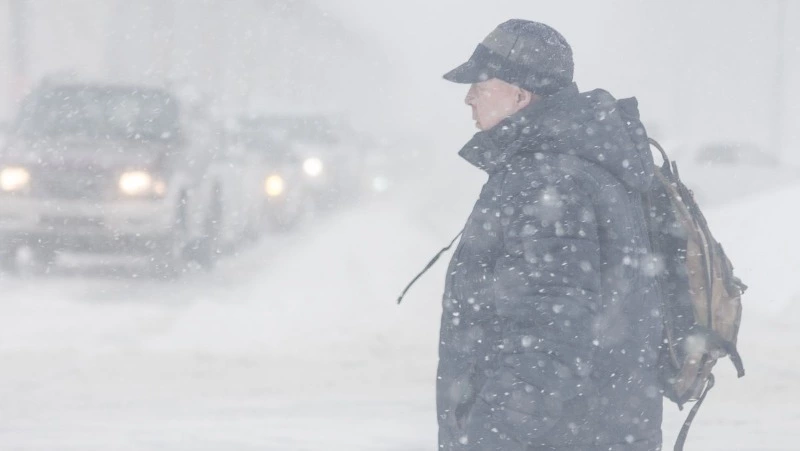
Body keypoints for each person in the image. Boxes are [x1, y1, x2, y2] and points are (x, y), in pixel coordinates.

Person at [437, 20, 663, 450]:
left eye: (480, 85)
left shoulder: (545, 182)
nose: (468, 97)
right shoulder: (583, 164)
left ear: (521, 95)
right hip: (602, 428)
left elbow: (550, 335)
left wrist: (494, 437)